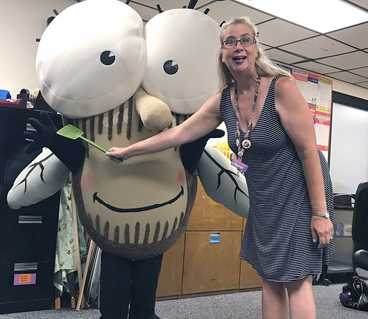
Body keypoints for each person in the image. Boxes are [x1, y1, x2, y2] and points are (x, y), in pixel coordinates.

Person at [106, 16, 334, 319]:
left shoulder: (282, 87)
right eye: (230, 41)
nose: (238, 47)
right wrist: (128, 152)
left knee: (295, 278)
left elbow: (308, 152)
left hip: (299, 194)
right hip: (265, 196)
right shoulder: (224, 99)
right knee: (269, 276)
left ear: (256, 47)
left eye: (245, 40)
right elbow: (178, 134)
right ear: (222, 51)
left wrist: (320, 214)